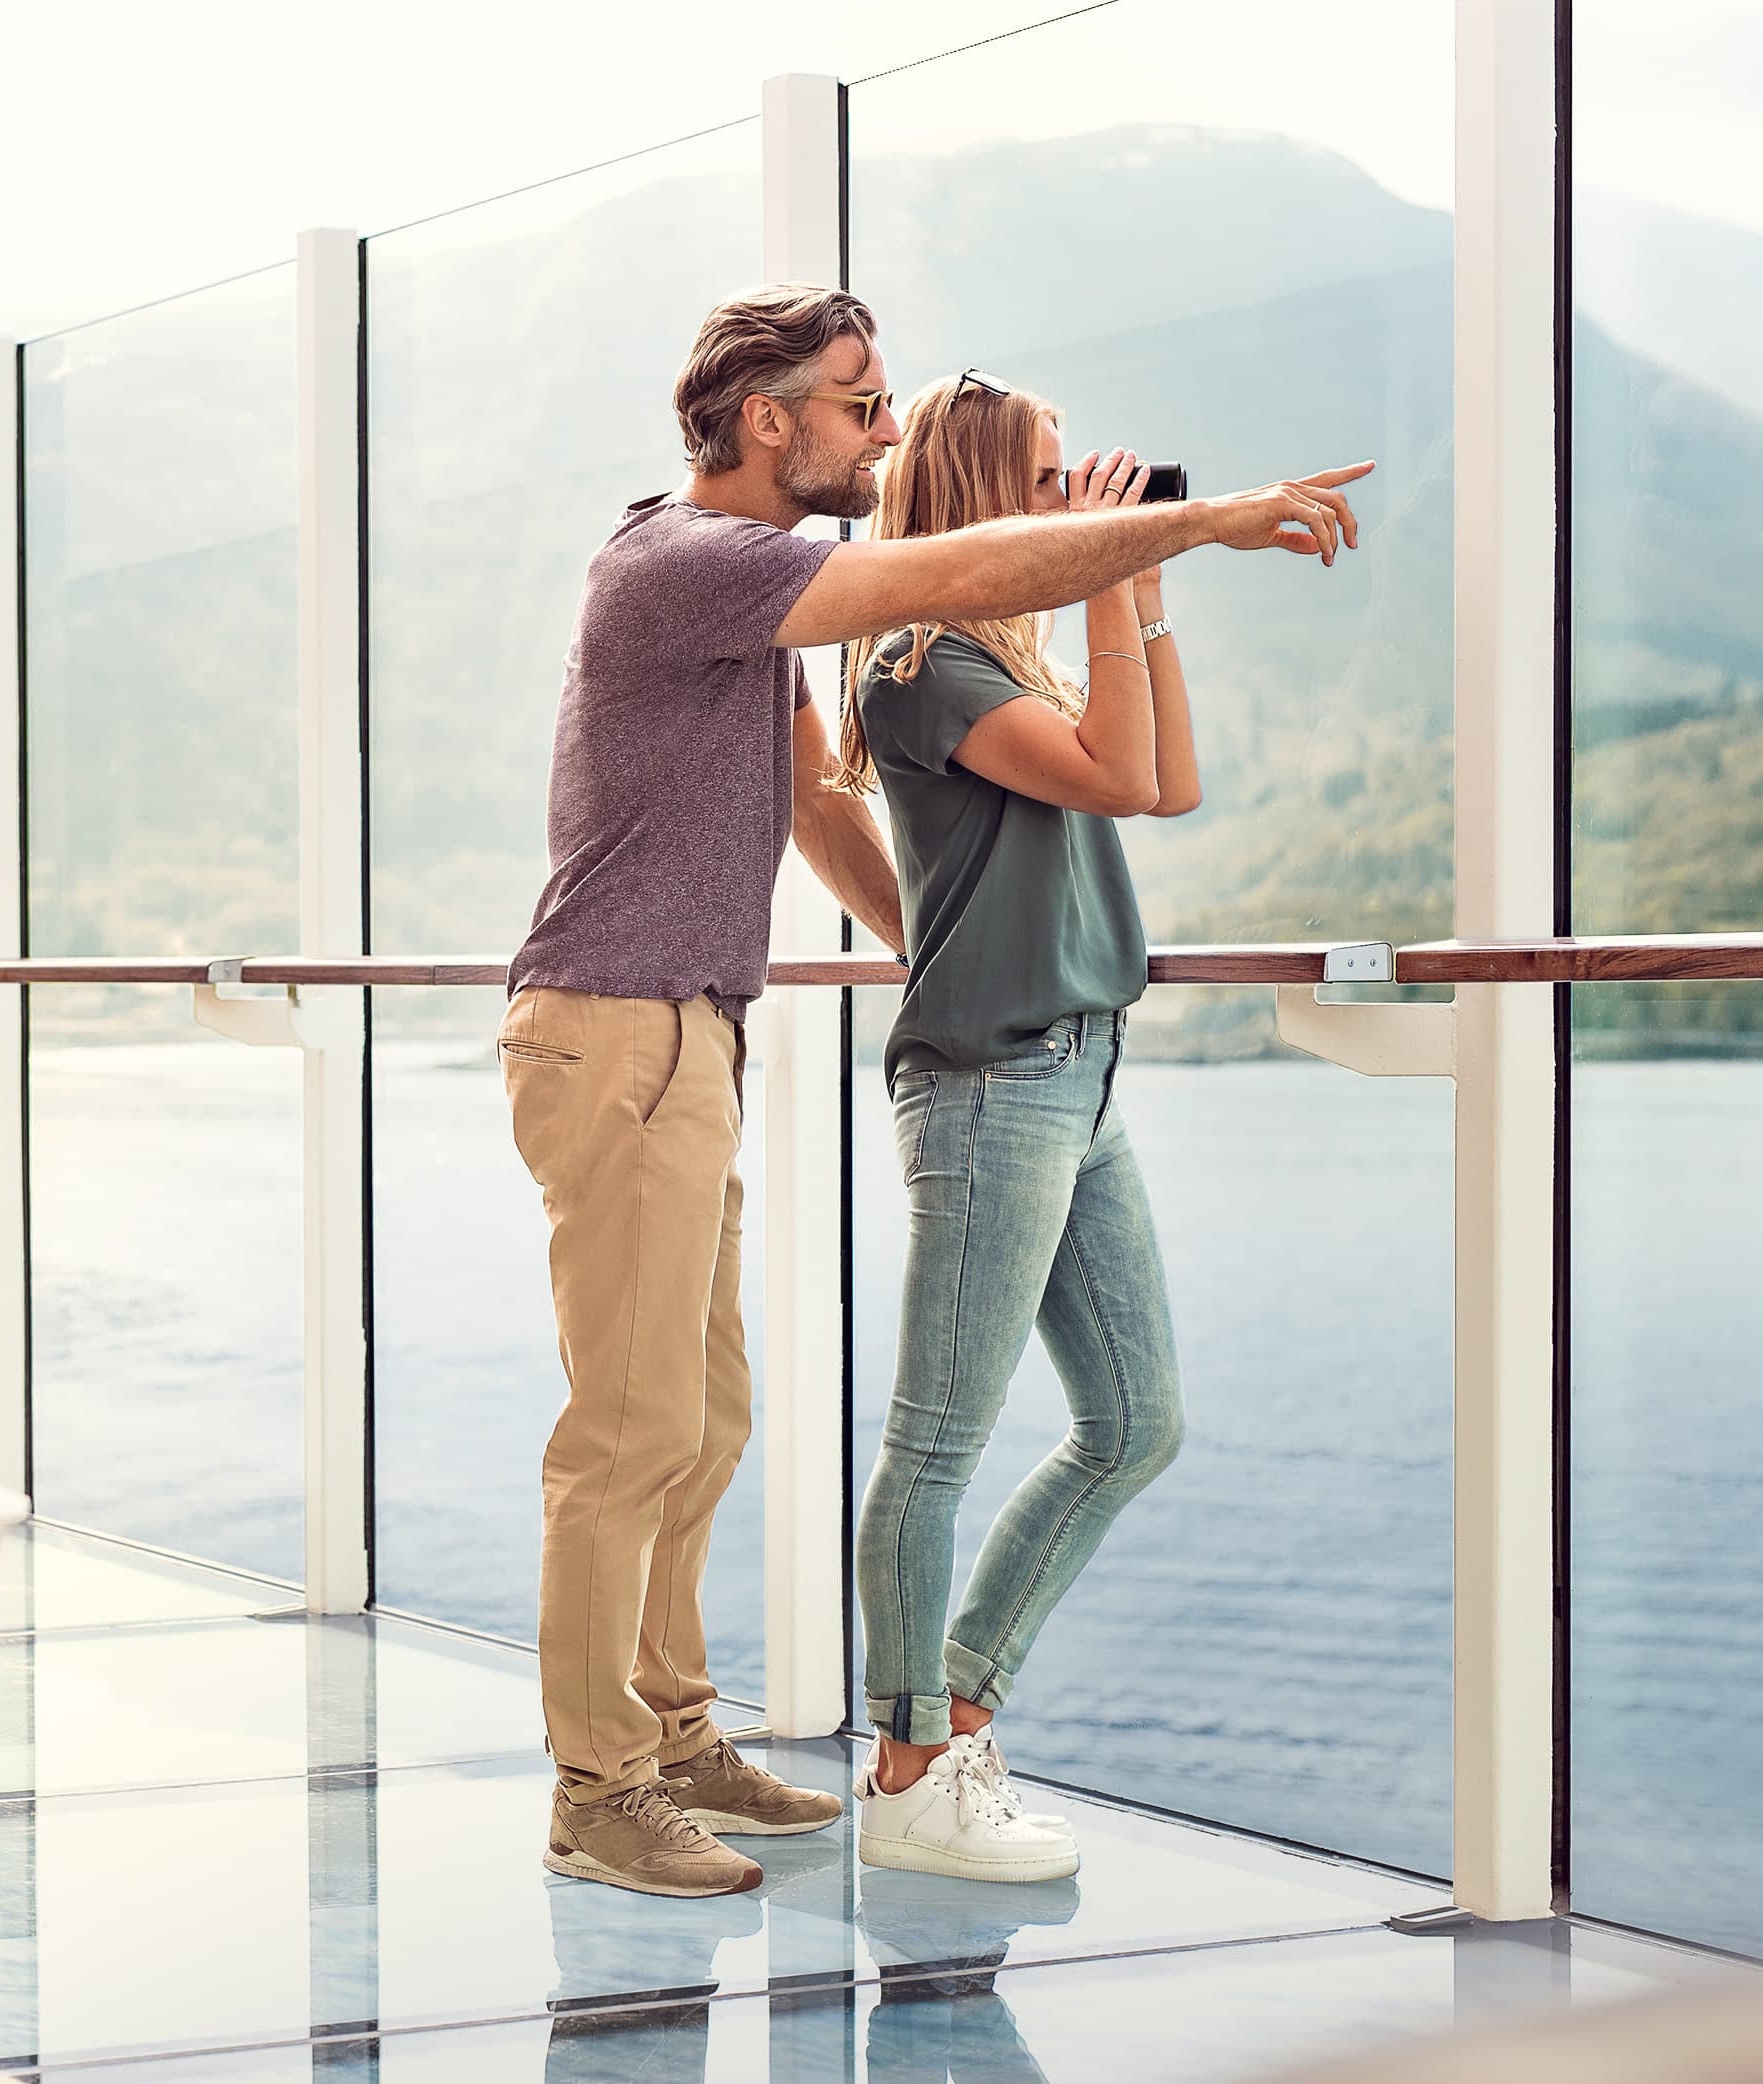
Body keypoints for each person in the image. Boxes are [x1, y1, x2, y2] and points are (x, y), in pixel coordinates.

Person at [505, 287, 1367, 1901]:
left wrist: (933, 944)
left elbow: (816, 819)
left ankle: (675, 1731)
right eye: (857, 402)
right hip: (614, 1026)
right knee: (626, 1434)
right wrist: (1204, 524)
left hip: (687, 1029)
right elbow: (963, 573)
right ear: (771, 421)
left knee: (703, 1416)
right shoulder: (697, 564)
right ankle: (596, 1784)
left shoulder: (744, 612)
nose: (882, 428)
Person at [829, 370, 1213, 1883]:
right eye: (1049, 485)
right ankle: (910, 1765)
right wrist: (1114, 570)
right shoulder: (922, 665)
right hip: (994, 1083)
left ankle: (958, 1708)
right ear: (988, 498)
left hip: (1080, 1073)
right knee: (936, 1441)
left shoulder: (1012, 666)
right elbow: (1123, 774)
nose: (1075, 505)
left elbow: (1167, 784)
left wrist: (1146, 582)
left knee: (1134, 1424)